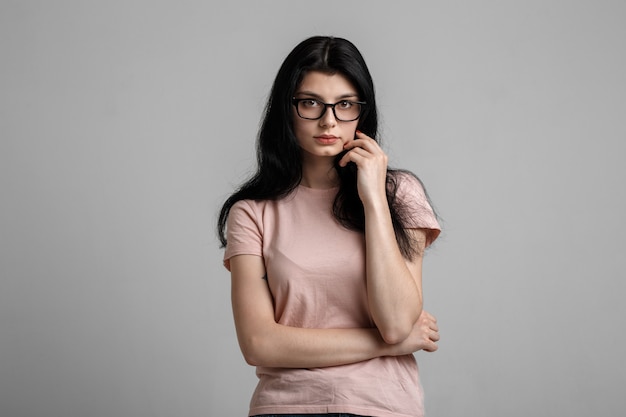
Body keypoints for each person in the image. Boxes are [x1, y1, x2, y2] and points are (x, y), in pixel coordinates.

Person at [217, 36, 441, 417]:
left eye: (345, 105)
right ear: (286, 110)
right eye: (310, 103)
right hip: (285, 407)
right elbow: (258, 343)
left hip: (383, 407)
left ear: (362, 111)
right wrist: (387, 346)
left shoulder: (399, 194)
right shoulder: (252, 212)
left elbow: (397, 321)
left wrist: (373, 201)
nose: (329, 120)